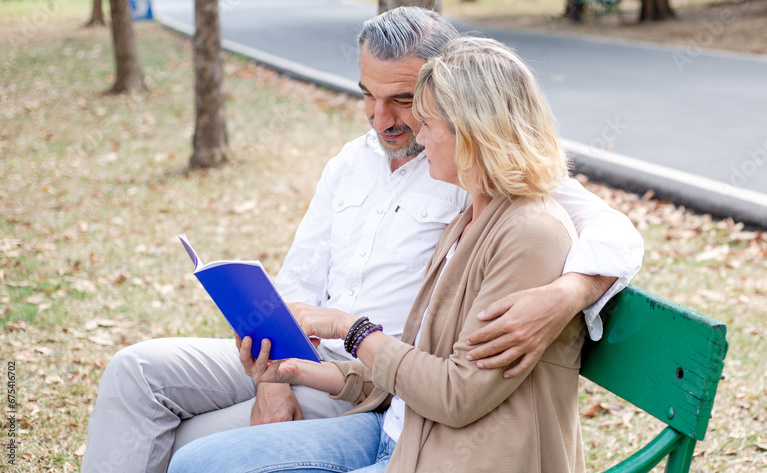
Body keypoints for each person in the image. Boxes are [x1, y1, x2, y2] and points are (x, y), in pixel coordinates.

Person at [80, 7, 642, 473]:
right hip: (328, 366)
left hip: (381, 390)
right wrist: (273, 376)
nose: (385, 120)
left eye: (404, 101)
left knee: (191, 453)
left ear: (449, 95)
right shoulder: (356, 162)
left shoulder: (486, 179)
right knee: (136, 372)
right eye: (368, 96)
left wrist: (569, 292)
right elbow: (300, 282)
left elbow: (601, 228)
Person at [170, 35, 587, 473]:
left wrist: (350, 329)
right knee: (195, 462)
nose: (419, 138)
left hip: (456, 456)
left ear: (473, 132)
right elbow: (419, 367)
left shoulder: (530, 233)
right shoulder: (468, 220)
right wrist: (297, 372)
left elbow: (458, 395)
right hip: (400, 431)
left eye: (428, 124)